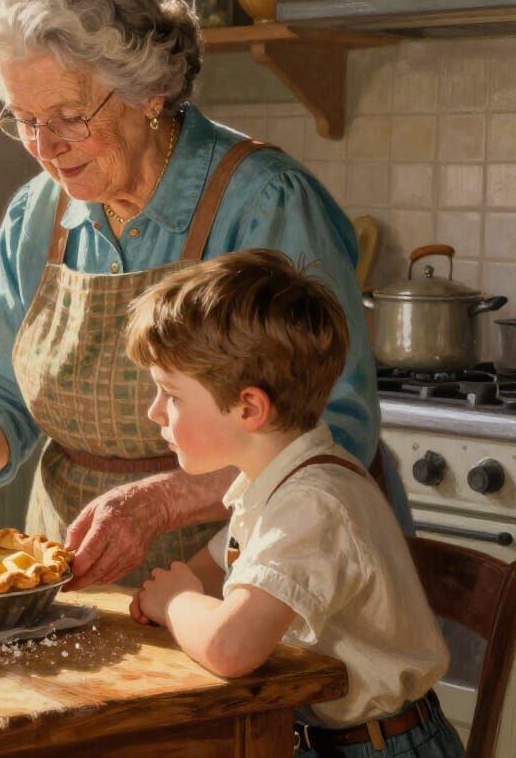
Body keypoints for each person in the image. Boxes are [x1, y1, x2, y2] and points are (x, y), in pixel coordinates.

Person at [0, 0, 402, 589]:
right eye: (25, 121)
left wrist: (160, 503)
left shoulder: (266, 201)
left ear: (149, 93)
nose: (46, 148)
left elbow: (333, 431)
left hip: (251, 572)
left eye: (69, 118)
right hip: (71, 565)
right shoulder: (39, 212)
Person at [126, 250, 463, 758]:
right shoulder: (277, 482)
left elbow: (229, 648)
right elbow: (214, 570)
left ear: (249, 408)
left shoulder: (313, 504)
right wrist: (175, 590)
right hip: (331, 741)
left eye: (171, 395)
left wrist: (174, 602)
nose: (155, 412)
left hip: (381, 750)